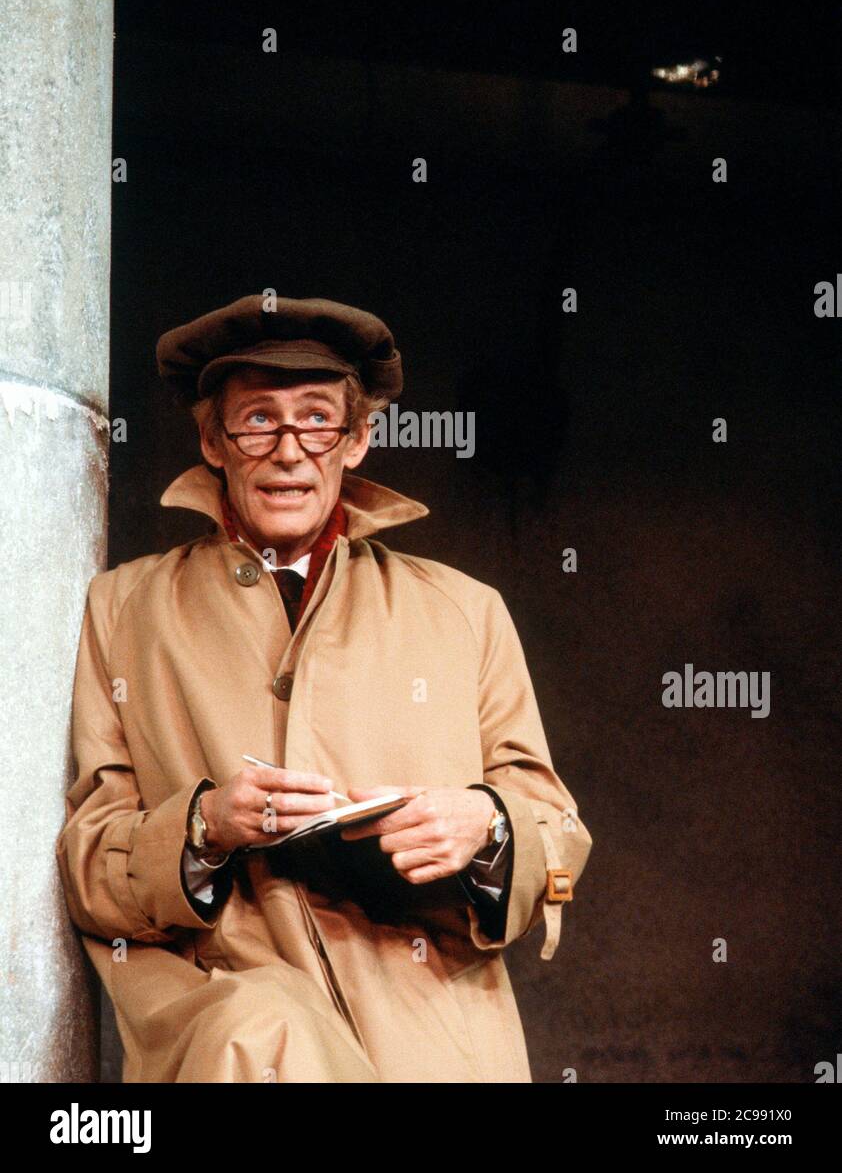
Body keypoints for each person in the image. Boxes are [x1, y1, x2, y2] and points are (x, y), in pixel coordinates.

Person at [55, 293, 593, 1083]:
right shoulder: (123, 609)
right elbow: (91, 866)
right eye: (257, 420)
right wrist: (205, 824)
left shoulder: (466, 611)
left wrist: (488, 824)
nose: (288, 450)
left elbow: (560, 834)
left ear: (358, 440)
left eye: (316, 419)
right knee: (262, 1030)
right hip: (239, 1035)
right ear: (213, 439)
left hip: (441, 1046)